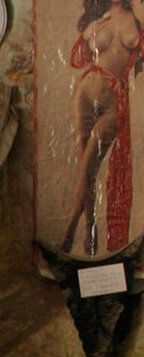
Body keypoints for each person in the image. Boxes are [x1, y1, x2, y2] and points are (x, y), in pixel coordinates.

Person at [60, 0, 144, 254]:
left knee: (88, 165)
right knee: (84, 168)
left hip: (113, 102)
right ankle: (90, 230)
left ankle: (69, 231)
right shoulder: (100, 14)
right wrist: (90, 30)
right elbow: (79, 57)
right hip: (85, 92)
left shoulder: (137, 15)